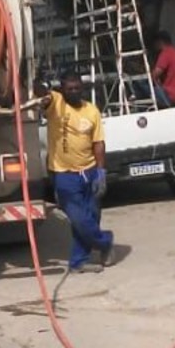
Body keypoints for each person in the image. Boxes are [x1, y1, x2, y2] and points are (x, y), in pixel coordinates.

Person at [44, 72, 115, 272]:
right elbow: (42, 94)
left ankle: (79, 261)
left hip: (90, 171)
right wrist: (38, 83)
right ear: (63, 90)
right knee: (78, 219)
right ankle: (106, 242)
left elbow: (98, 143)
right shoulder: (56, 104)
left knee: (91, 216)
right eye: (69, 89)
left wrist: (101, 172)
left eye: (77, 88)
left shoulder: (92, 111)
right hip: (65, 175)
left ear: (82, 89)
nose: (73, 92)